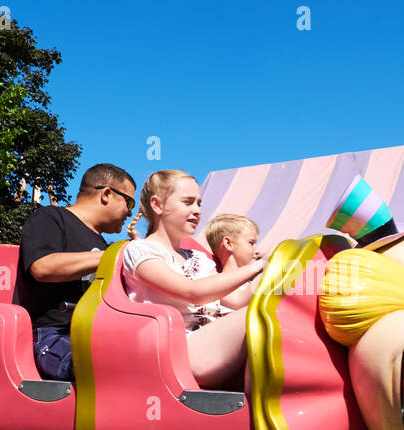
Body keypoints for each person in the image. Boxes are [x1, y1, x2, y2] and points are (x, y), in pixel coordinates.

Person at [121, 171, 265, 388]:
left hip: (208, 345)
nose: (197, 211)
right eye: (188, 202)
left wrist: (279, 276)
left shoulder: (198, 258)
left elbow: (236, 300)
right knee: (262, 317)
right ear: (157, 205)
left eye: (199, 203)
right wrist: (258, 266)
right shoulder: (140, 251)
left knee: (276, 310)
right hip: (174, 351)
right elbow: (193, 293)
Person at [18, 164, 137, 381]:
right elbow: (42, 267)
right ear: (107, 194)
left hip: (91, 335)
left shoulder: (102, 243)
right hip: (52, 335)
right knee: (110, 368)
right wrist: (114, 255)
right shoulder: (50, 217)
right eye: (129, 202)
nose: (130, 212)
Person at [204, 214, 262, 310]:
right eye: (251, 243)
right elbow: (239, 301)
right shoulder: (218, 284)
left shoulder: (250, 284)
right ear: (229, 244)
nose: (257, 251)